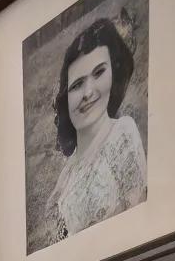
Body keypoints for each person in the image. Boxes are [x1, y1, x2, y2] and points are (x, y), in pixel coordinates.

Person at [44, 16, 146, 243]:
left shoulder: (122, 134)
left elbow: (140, 222)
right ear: (66, 98)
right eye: (77, 85)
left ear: (113, 73)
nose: (88, 92)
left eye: (99, 73)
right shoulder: (65, 177)